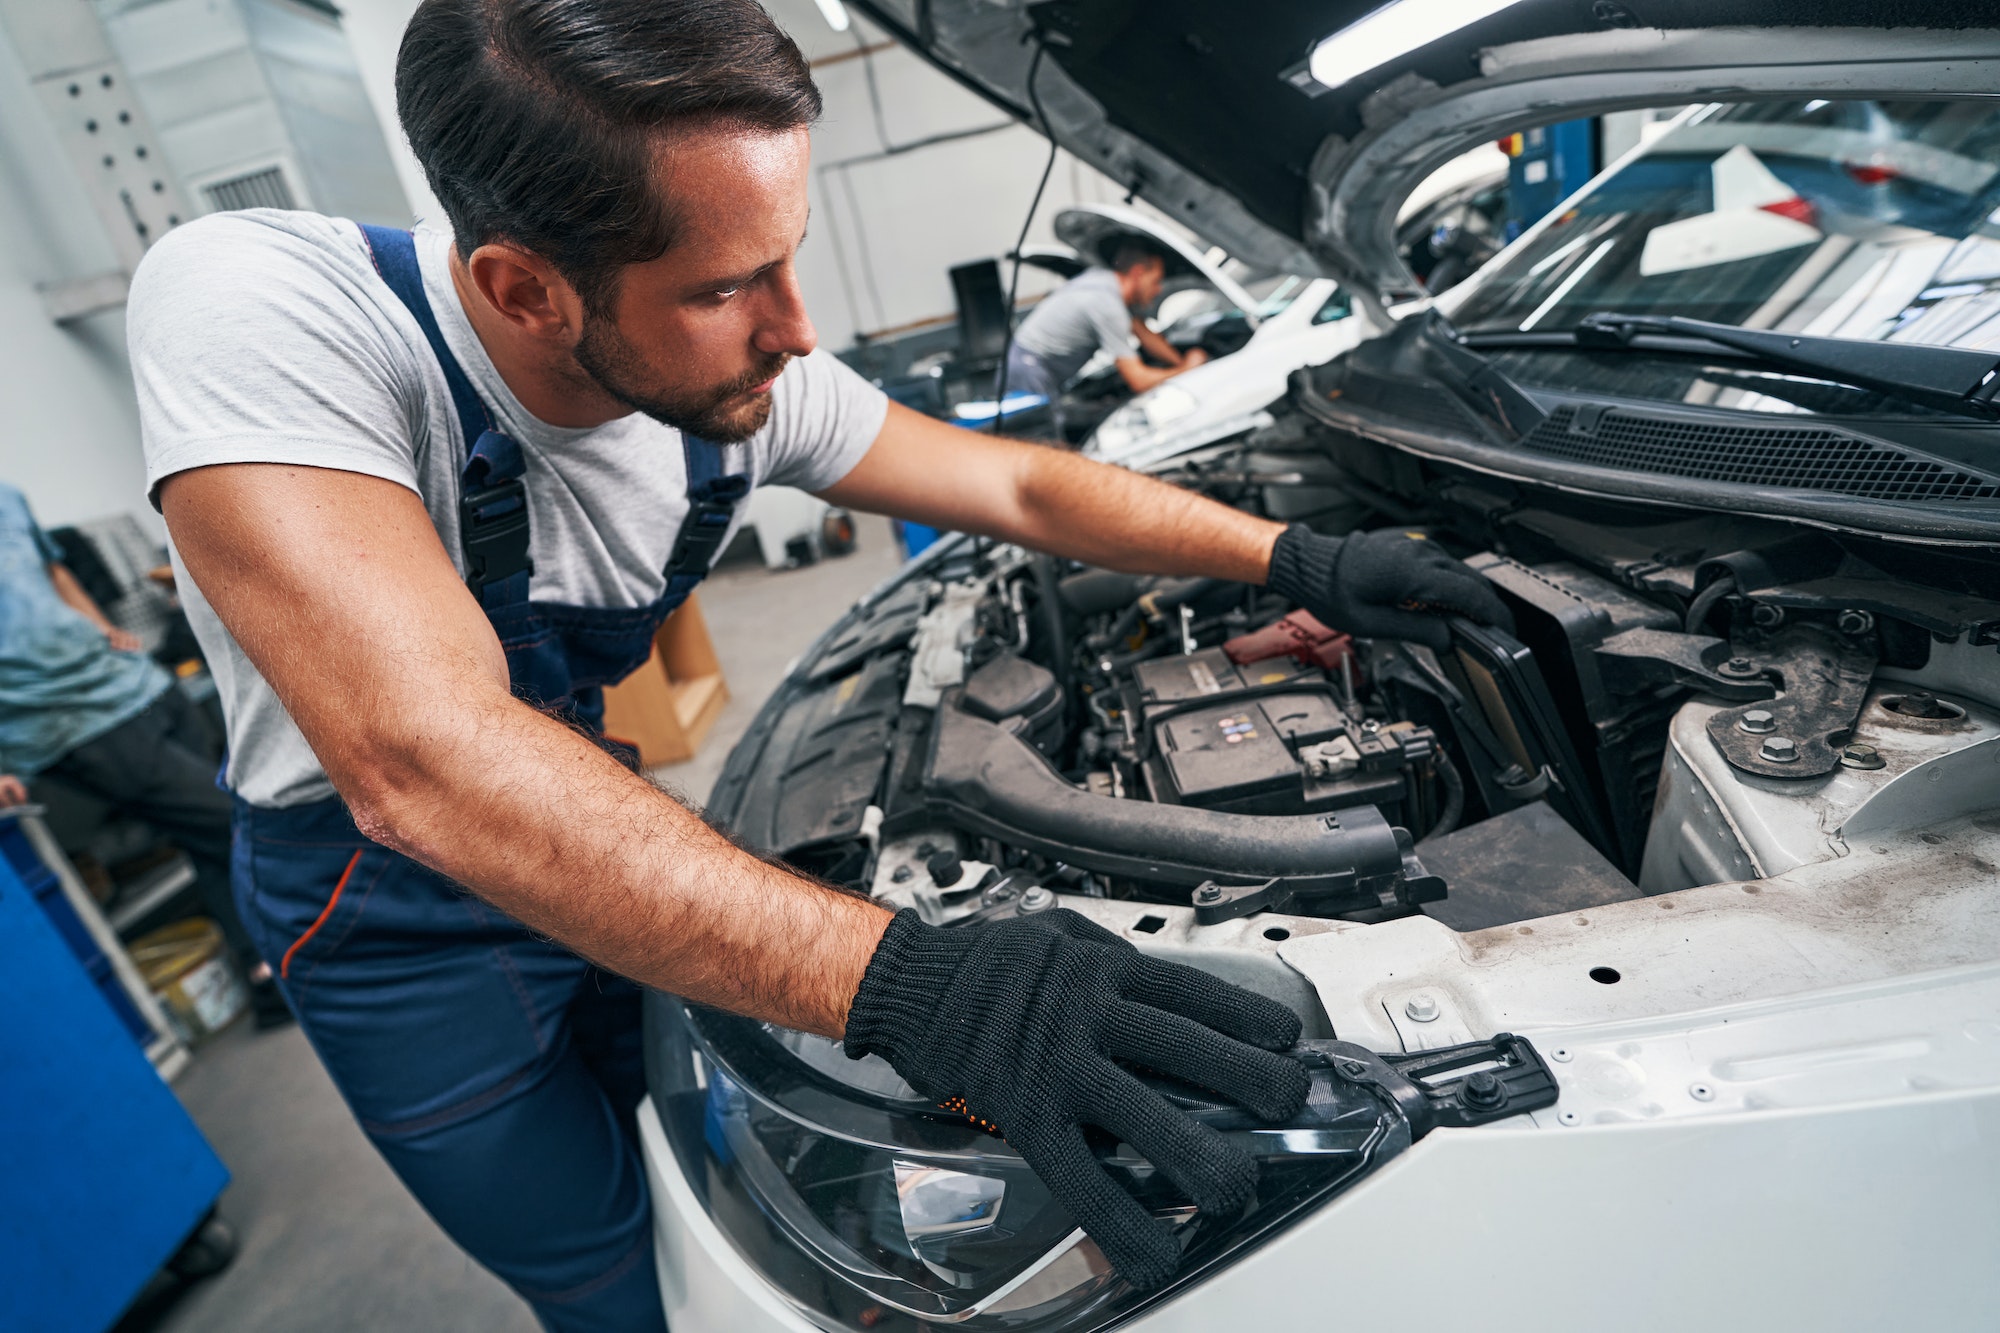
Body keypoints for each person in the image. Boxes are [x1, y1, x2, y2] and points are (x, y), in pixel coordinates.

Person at [130, 1, 1512, 1326]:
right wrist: (921, 984)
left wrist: (1295, 560)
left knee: (722, 1153)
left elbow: (1026, 492)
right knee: (626, 1281)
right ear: (523, 289)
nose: (796, 330)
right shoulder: (271, 308)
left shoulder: (741, 383)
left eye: (786, 255)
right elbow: (422, 761)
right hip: (393, 927)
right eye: (729, 285)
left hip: (589, 821)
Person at [0, 483, 288, 1025]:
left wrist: (105, 629)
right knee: (238, 823)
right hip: (67, 722)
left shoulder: (6, 497)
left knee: (209, 838)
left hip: (134, 685)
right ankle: (301, 964)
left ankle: (267, 980)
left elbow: (54, 574)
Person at [1003, 235, 1209, 440]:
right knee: (1044, 444)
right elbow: (1137, 380)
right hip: (1029, 371)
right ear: (1137, 273)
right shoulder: (1108, 306)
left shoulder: (1105, 281)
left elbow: (1146, 336)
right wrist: (1186, 370)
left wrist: (1182, 361)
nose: (1158, 289)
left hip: (1025, 363)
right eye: (1155, 281)